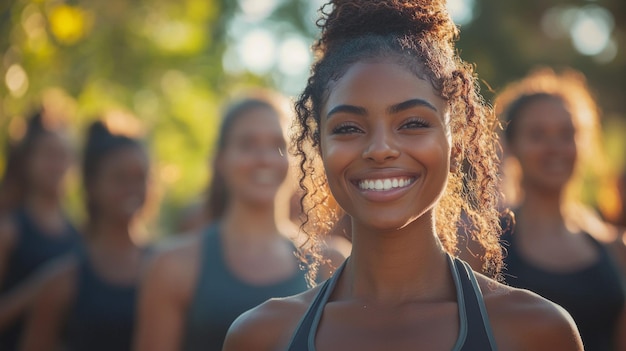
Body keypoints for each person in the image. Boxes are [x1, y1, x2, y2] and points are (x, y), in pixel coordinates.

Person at [223, 1, 583, 350]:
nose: (380, 149)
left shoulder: (535, 331)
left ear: (455, 143)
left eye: (412, 123)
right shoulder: (263, 336)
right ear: (319, 147)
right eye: (348, 128)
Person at [133, 92, 342, 351]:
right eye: (247, 144)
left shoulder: (333, 262)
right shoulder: (171, 266)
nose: (264, 159)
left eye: (278, 145)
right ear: (220, 160)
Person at [495, 67, 626, 351]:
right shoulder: (486, 246)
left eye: (567, 134)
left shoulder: (614, 247)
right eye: (537, 134)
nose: (554, 147)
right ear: (512, 144)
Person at [19, 119, 151, 351]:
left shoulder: (165, 267)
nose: (132, 188)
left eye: (140, 178)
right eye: (119, 178)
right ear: (92, 185)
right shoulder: (63, 279)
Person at [0, 111, 80, 350]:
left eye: (63, 156)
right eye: (48, 155)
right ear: (27, 161)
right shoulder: (9, 230)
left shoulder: (80, 236)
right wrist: (38, 292)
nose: (56, 165)